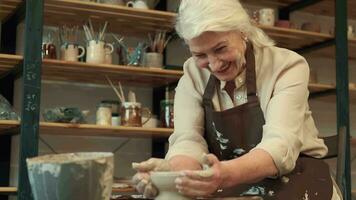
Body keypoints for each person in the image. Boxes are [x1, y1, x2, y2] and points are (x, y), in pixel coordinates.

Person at [132, 0, 343, 199]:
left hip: (295, 176)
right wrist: (171, 175)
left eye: (220, 49)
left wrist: (224, 174)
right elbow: (188, 141)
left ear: (243, 31)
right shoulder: (192, 75)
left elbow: (280, 145)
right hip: (228, 180)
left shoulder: (286, 66)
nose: (214, 65)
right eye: (200, 55)